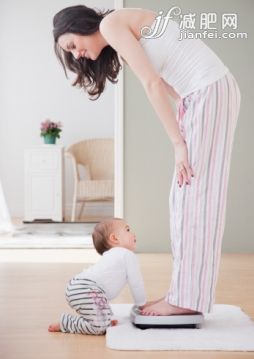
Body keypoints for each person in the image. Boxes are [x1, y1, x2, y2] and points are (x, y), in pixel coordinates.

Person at [52, 6, 241, 316]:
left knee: (193, 197)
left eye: (72, 45)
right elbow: (167, 81)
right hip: (205, 94)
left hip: (206, 93)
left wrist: (179, 143)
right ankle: (185, 294)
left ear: (79, 25)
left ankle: (186, 300)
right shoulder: (119, 32)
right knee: (190, 198)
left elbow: (152, 84)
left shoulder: (112, 24)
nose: (78, 55)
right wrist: (185, 116)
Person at [48, 218, 147, 334]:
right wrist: (142, 304)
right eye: (128, 230)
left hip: (78, 286)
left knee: (103, 310)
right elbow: (136, 283)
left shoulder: (111, 255)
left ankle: (103, 319)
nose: (133, 233)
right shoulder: (127, 255)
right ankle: (66, 323)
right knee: (100, 328)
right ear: (114, 238)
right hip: (87, 288)